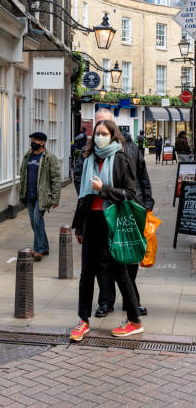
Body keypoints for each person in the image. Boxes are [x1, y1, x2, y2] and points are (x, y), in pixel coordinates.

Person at [70, 120, 143, 342]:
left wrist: (104, 190)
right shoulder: (88, 158)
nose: (100, 137)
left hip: (112, 221)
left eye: (104, 133)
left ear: (113, 136)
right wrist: (79, 226)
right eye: (97, 133)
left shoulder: (121, 158)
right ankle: (83, 320)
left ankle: (134, 321)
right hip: (91, 221)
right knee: (86, 273)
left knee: (120, 272)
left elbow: (130, 193)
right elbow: (83, 196)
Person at [120, 129, 154, 316]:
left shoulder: (133, 148)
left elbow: (143, 176)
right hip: (116, 206)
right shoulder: (108, 150)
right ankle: (110, 300)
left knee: (132, 254)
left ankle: (130, 299)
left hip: (135, 205)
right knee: (114, 257)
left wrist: (147, 200)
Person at [19, 132, 61, 262]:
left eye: (36, 140)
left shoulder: (49, 157)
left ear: (43, 142)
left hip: (42, 195)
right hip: (29, 195)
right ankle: (45, 246)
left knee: (37, 219)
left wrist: (55, 198)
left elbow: (56, 178)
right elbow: (23, 173)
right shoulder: (28, 155)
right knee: (34, 223)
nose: (33, 142)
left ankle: (38, 250)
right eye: (32, 139)